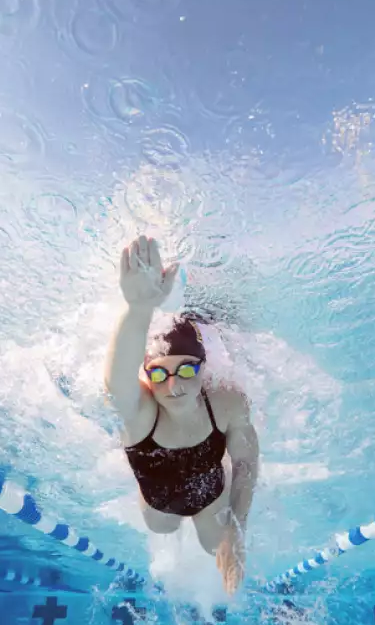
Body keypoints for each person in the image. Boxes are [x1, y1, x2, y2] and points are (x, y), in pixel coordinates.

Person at [104, 235, 260, 595]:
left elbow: (246, 464)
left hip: (212, 498)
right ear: (146, 376)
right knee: (163, 528)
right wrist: (139, 309)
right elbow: (116, 385)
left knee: (213, 546)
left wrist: (237, 527)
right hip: (159, 505)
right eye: (159, 372)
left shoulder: (227, 403)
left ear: (204, 369)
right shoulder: (143, 414)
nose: (173, 384)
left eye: (187, 370)